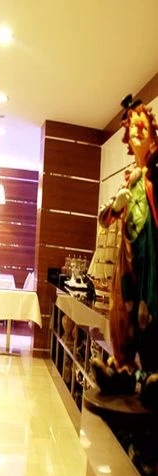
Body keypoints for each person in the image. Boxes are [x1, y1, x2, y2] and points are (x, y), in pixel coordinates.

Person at [92, 95, 158, 406]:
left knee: (150, 315)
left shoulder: (153, 174)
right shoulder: (128, 180)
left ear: (153, 135)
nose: (137, 130)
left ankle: (151, 375)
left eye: (143, 126)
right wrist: (116, 204)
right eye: (133, 127)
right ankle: (124, 370)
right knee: (124, 315)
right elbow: (104, 218)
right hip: (129, 261)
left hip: (152, 260)